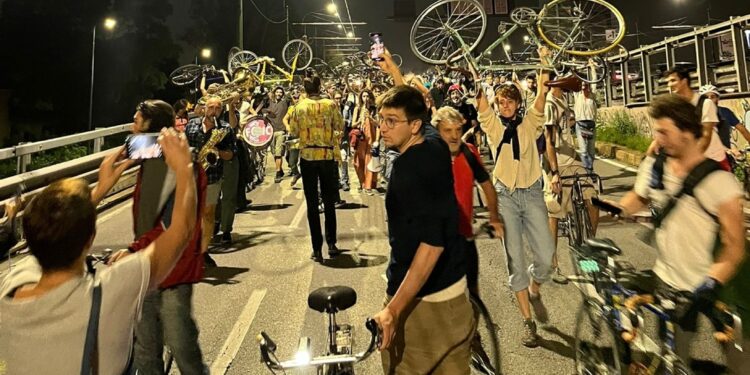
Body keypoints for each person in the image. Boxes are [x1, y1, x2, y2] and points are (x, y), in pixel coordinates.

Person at [0, 129, 197, 375]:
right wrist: (184, 167)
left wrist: (99, 190)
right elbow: (182, 230)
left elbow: (52, 232)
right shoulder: (111, 290)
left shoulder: (10, 286)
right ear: (89, 239)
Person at [608, 95, 747, 373]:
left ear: (686, 132)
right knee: (674, 359)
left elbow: (735, 246)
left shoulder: (719, 182)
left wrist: (709, 285)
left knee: (740, 363)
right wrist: (617, 209)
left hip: (710, 288)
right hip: (667, 280)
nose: (657, 139)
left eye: (663, 132)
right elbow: (639, 196)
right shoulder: (655, 166)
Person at [373, 85, 474, 374]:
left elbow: (431, 246)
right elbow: (421, 109)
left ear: (414, 125)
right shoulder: (435, 143)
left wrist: (393, 311)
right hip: (454, 294)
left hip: (423, 306)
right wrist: (394, 72)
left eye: (391, 121)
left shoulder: (409, 171)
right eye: (381, 119)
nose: (382, 128)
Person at [103, 100, 209, 374]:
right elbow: (111, 162)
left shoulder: (183, 163)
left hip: (174, 269)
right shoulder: (151, 151)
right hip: (144, 268)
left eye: (137, 122)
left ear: (152, 127)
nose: (131, 126)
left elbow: (169, 225)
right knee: (145, 351)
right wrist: (134, 145)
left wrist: (132, 249)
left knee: (182, 348)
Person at [475, 47, 555, 348]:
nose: (504, 104)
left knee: (546, 259)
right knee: (515, 261)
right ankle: (528, 322)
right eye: (500, 101)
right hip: (506, 196)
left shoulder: (531, 121)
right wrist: (475, 75)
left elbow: (542, 95)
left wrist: (544, 62)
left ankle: (535, 287)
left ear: (518, 102)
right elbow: (482, 106)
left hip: (533, 193)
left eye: (509, 100)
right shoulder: (494, 126)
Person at [542, 78, 599, 284]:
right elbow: (548, 141)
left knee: (592, 199)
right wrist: (555, 173)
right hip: (556, 162)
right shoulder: (550, 104)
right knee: (554, 211)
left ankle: (589, 246)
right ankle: (553, 262)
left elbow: (566, 127)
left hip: (573, 158)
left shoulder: (563, 99)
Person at [288, 73, 344, 261]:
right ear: (320, 87)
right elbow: (339, 125)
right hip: (327, 155)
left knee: (312, 204)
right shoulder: (330, 104)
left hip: (307, 157)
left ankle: (317, 249)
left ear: (305, 89)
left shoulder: (299, 106)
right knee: (329, 201)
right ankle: (332, 243)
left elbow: (294, 130)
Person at [185, 96, 237, 258]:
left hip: (212, 177)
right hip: (190, 175)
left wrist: (216, 152)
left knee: (208, 213)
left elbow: (231, 154)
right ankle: (190, 246)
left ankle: (203, 251)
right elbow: (183, 147)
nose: (214, 111)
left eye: (218, 108)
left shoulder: (225, 129)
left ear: (221, 110)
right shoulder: (191, 125)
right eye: (211, 107)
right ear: (204, 108)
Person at [654, 66, 729, 170]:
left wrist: (691, 160)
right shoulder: (676, 106)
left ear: (684, 81)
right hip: (691, 161)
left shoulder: (705, 103)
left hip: (713, 159)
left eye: (673, 81)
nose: (669, 85)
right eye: (668, 82)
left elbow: (706, 136)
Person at [699, 84, 750, 149]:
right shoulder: (697, 115)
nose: (709, 100)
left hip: (725, 154)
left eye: (712, 97)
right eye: (706, 98)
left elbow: (743, 130)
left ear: (717, 98)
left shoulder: (725, 112)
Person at [351, 89, 380, 195]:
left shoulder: (374, 109)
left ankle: (368, 186)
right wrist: (361, 119)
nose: (366, 98)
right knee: (358, 162)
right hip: (361, 138)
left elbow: (378, 125)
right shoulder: (357, 109)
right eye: (364, 96)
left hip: (370, 138)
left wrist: (370, 118)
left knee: (369, 161)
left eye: (367, 96)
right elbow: (353, 124)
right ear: (361, 98)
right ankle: (362, 182)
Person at [264, 87, 290, 183]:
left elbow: (290, 96)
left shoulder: (285, 102)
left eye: (280, 92)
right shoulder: (269, 103)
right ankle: (280, 169)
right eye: (277, 92)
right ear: (274, 93)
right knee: (274, 152)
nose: (279, 93)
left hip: (281, 131)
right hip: (271, 131)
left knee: (279, 152)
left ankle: (278, 172)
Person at [573, 81, 598, 172]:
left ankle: (590, 167)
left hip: (591, 125)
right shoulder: (577, 96)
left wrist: (592, 68)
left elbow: (594, 81)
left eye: (586, 86)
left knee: (591, 151)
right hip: (580, 125)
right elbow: (574, 83)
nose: (584, 88)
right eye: (582, 86)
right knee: (583, 151)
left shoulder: (592, 96)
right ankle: (589, 169)